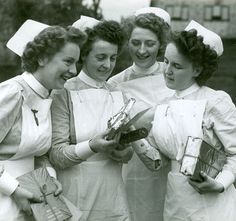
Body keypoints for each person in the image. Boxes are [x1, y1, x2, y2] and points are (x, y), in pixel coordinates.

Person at [132, 20, 236, 221]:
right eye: (166, 61)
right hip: (176, 205)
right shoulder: (163, 106)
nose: (167, 70)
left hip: (213, 205)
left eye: (177, 66)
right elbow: (158, 162)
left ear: (196, 70)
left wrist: (221, 183)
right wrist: (132, 134)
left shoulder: (215, 101)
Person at [0, 19, 86, 220]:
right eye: (68, 61)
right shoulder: (12, 92)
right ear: (42, 58)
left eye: (76, 63)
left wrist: (50, 179)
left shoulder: (47, 95)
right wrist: (13, 189)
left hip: (31, 198)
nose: (74, 71)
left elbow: (38, 153)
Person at [49, 16, 132, 221]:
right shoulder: (63, 92)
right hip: (74, 193)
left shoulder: (119, 93)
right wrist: (93, 146)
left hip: (112, 195)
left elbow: (128, 151)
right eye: (101, 57)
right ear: (84, 55)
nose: (108, 65)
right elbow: (57, 155)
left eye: (113, 58)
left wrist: (124, 152)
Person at [107, 7, 174, 221]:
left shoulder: (174, 76)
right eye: (136, 43)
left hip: (172, 167)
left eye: (150, 43)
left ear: (161, 44)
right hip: (133, 169)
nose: (142, 50)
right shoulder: (115, 84)